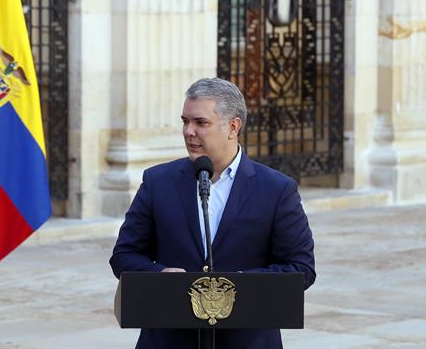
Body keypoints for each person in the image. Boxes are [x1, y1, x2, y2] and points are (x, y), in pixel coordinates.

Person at [109, 77, 315, 349]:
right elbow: (124, 256)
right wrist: (160, 275)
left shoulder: (277, 190)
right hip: (169, 339)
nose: (189, 131)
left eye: (200, 123)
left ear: (233, 127)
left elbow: (301, 268)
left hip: (246, 341)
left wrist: (239, 285)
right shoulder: (158, 182)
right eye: (185, 121)